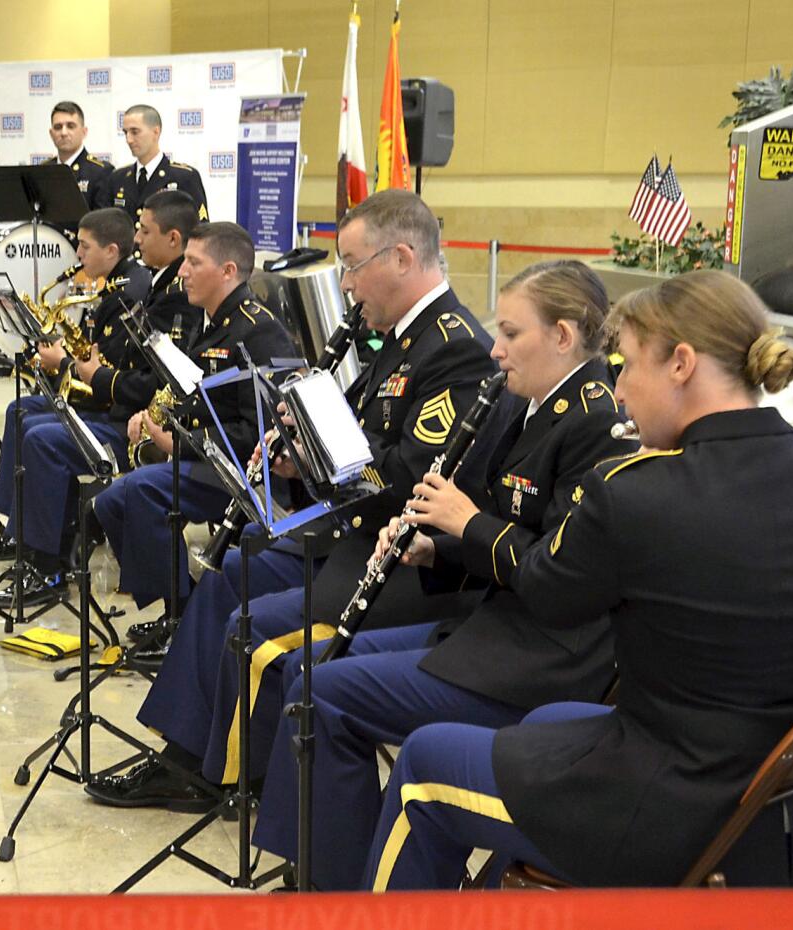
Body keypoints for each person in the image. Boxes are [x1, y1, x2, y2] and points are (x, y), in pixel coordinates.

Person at [361, 269, 793, 890]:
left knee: (421, 765)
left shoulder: (638, 492)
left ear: (682, 364)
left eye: (629, 367)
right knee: (550, 718)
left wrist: (462, 531)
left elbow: (551, 596)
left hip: (669, 807)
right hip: (780, 803)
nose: (620, 391)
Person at [86, 189, 496, 811]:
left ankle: (219, 766)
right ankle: (192, 754)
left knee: (246, 597)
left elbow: (408, 475)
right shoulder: (404, 339)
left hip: (399, 559)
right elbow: (361, 437)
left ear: (403, 258)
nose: (348, 285)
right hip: (352, 531)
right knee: (232, 567)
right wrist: (300, 450)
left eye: (354, 266)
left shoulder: (453, 345)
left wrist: (316, 460)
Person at [248, 261, 636, 890]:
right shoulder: (531, 402)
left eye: (511, 332)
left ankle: (336, 885)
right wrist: (438, 547)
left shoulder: (593, 422)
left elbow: (557, 573)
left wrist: (466, 521)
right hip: (493, 631)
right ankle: (330, 866)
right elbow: (509, 532)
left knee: (321, 692)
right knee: (308, 671)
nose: (495, 348)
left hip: (542, 659)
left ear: (563, 336)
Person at [90, 222, 294, 617]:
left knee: (137, 493)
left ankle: (179, 615)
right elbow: (193, 396)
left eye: (193, 263)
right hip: (206, 461)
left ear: (228, 271)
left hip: (246, 476)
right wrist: (152, 418)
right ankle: (176, 602)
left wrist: (177, 443)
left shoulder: (259, 332)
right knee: (112, 501)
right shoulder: (207, 322)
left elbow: (259, 433)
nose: (182, 272)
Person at [0, 207, 152, 606]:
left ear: (111, 250)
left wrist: (66, 365)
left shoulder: (128, 292)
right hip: (106, 403)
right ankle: (19, 534)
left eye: (84, 246)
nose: (77, 254)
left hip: (116, 417)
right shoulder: (113, 284)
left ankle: (48, 565)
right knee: (20, 412)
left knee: (41, 439)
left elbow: (115, 376)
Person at [107, 105, 208, 224]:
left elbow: (200, 228)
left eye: (135, 132)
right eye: (125, 133)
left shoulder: (184, 177)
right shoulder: (118, 178)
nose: (129, 139)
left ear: (156, 131)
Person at [48, 100, 113, 210]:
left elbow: (102, 221)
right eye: (58, 127)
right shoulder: (45, 170)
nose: (64, 133)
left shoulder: (101, 171)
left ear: (84, 131)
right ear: (51, 133)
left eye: (70, 126)